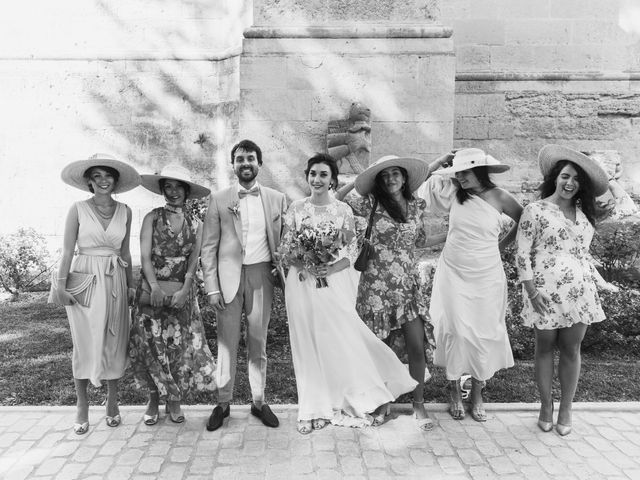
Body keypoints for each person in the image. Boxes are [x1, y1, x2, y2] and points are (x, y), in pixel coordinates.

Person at [282, 153, 418, 434]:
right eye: (313, 174)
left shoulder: (342, 210)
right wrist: (306, 261)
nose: (317, 180)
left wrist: (328, 269)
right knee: (305, 344)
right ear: (307, 177)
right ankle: (312, 408)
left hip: (332, 285)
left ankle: (341, 397)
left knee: (337, 339)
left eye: (323, 175)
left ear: (332, 180)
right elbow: (286, 248)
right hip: (301, 283)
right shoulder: (296, 208)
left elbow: (351, 252)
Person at [336, 155, 445, 431]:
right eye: (384, 176)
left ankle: (418, 404)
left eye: (395, 174)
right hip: (376, 289)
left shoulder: (416, 205)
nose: (390, 179)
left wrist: (450, 234)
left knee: (416, 345)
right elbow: (336, 198)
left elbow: (419, 240)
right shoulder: (368, 204)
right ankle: (383, 401)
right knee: (380, 350)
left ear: (405, 177)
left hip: (407, 288)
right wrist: (359, 181)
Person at [515, 145, 616, 436]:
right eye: (565, 176)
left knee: (572, 349)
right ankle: (546, 406)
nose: (570, 183)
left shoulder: (586, 214)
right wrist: (532, 291)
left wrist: (603, 175)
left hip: (580, 292)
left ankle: (567, 408)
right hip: (543, 291)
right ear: (555, 178)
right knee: (544, 348)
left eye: (576, 179)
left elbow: (618, 199)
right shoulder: (535, 210)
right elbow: (522, 254)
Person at [421, 148, 523, 422]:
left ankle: (477, 391)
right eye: (457, 173)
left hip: (487, 273)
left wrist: (501, 245)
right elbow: (417, 183)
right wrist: (442, 160)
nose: (460, 177)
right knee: (455, 328)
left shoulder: (500, 197)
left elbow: (524, 220)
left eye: (464, 172)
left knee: (483, 331)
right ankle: (453, 388)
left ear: (479, 171)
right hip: (453, 271)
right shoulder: (455, 193)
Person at [201, 139, 287, 431]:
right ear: (233, 164)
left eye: (251, 158)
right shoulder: (219, 198)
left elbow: (285, 241)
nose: (246, 163)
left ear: (259, 163)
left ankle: (259, 402)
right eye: (240, 159)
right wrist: (211, 287)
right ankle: (223, 403)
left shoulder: (277, 198)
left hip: (261, 276)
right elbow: (208, 247)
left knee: (257, 342)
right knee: (225, 343)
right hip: (227, 280)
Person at [54, 153, 140, 434]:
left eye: (108, 176)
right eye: (97, 177)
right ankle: (82, 405)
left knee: (114, 341)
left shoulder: (126, 210)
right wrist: (61, 286)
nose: (103, 181)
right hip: (85, 279)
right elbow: (67, 251)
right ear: (89, 182)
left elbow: (125, 252)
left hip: (115, 278)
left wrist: (130, 285)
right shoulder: (77, 209)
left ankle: (112, 403)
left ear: (115, 181)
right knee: (85, 342)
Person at [129, 164, 216, 425]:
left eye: (179, 186)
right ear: (162, 190)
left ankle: (175, 401)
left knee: (178, 347)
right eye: (168, 186)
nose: (174, 191)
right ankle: (154, 400)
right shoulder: (152, 218)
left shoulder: (196, 223)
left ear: (187, 191)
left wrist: (186, 289)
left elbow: (193, 260)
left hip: (181, 292)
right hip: (151, 291)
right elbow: (144, 256)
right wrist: (154, 287)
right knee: (152, 346)